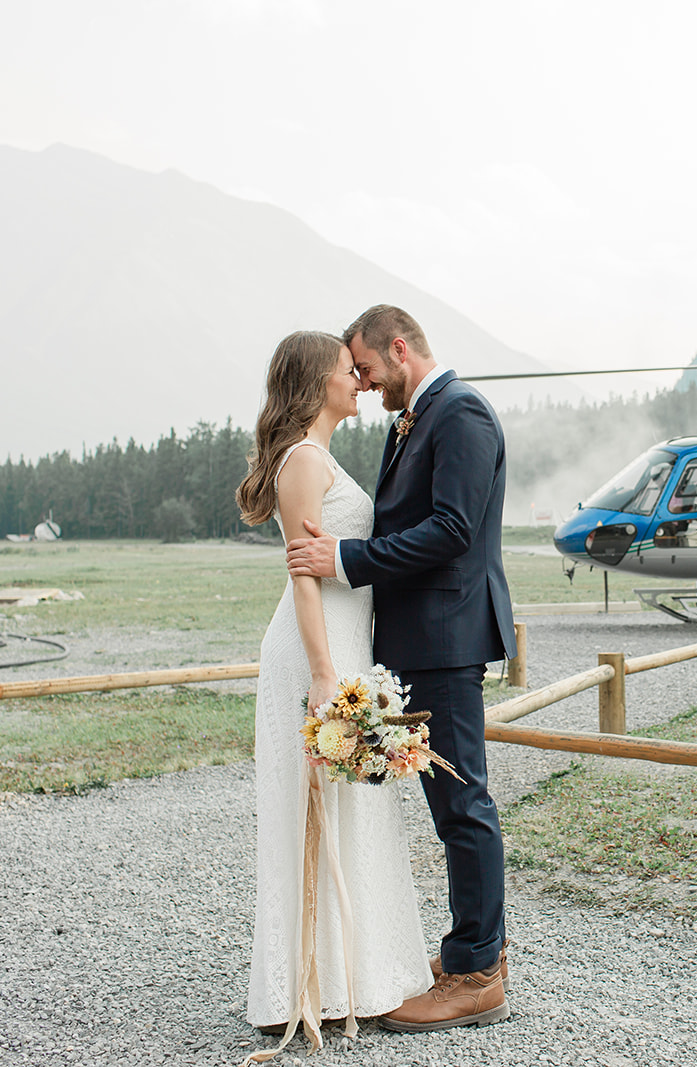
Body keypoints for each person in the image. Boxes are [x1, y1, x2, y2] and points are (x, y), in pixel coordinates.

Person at [286, 304, 515, 1032]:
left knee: (462, 801)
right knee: (449, 805)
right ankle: (474, 947)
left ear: (398, 347)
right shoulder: (412, 419)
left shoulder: (462, 415)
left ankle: (479, 973)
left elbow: (452, 530)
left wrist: (345, 560)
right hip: (420, 640)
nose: (364, 381)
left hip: (449, 639)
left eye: (367, 367)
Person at [235, 331, 432, 1053]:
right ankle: (301, 986)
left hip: (345, 650)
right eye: (349, 369)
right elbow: (305, 578)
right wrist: (324, 676)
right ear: (319, 380)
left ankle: (353, 975)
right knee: (312, 809)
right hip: (315, 655)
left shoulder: (320, 457)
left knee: (354, 809)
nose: (360, 378)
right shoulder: (300, 464)